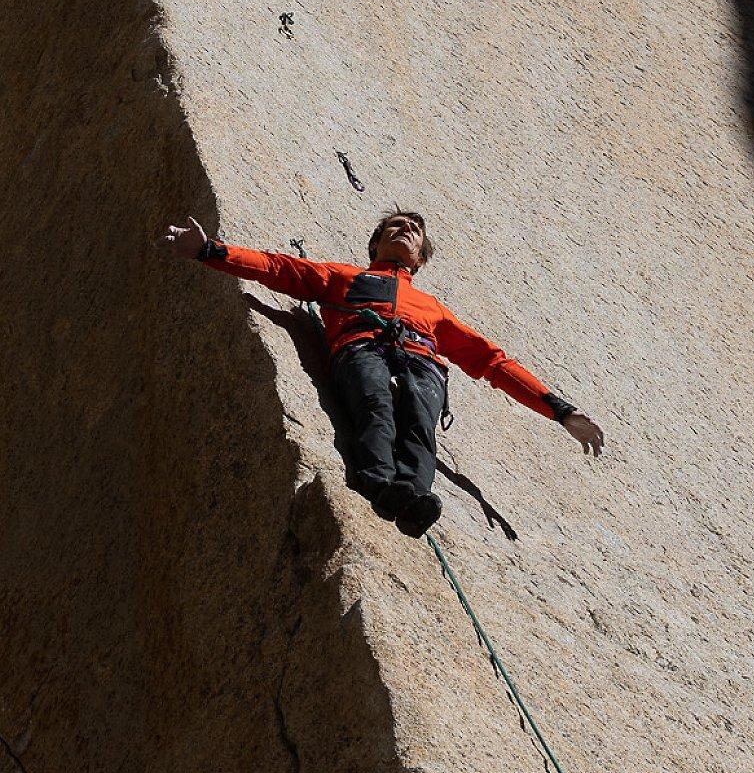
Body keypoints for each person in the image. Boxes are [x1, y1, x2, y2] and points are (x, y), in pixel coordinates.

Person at [162, 209, 604, 536]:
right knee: (375, 406)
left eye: (413, 231)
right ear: (375, 246)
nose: (405, 230)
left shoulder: (433, 310)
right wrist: (209, 251)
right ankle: (378, 483)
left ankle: (412, 495)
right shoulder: (342, 277)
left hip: (423, 361)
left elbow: (492, 362)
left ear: (419, 259)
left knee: (418, 423)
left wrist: (560, 411)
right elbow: (280, 269)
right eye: (395, 227)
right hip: (363, 346)